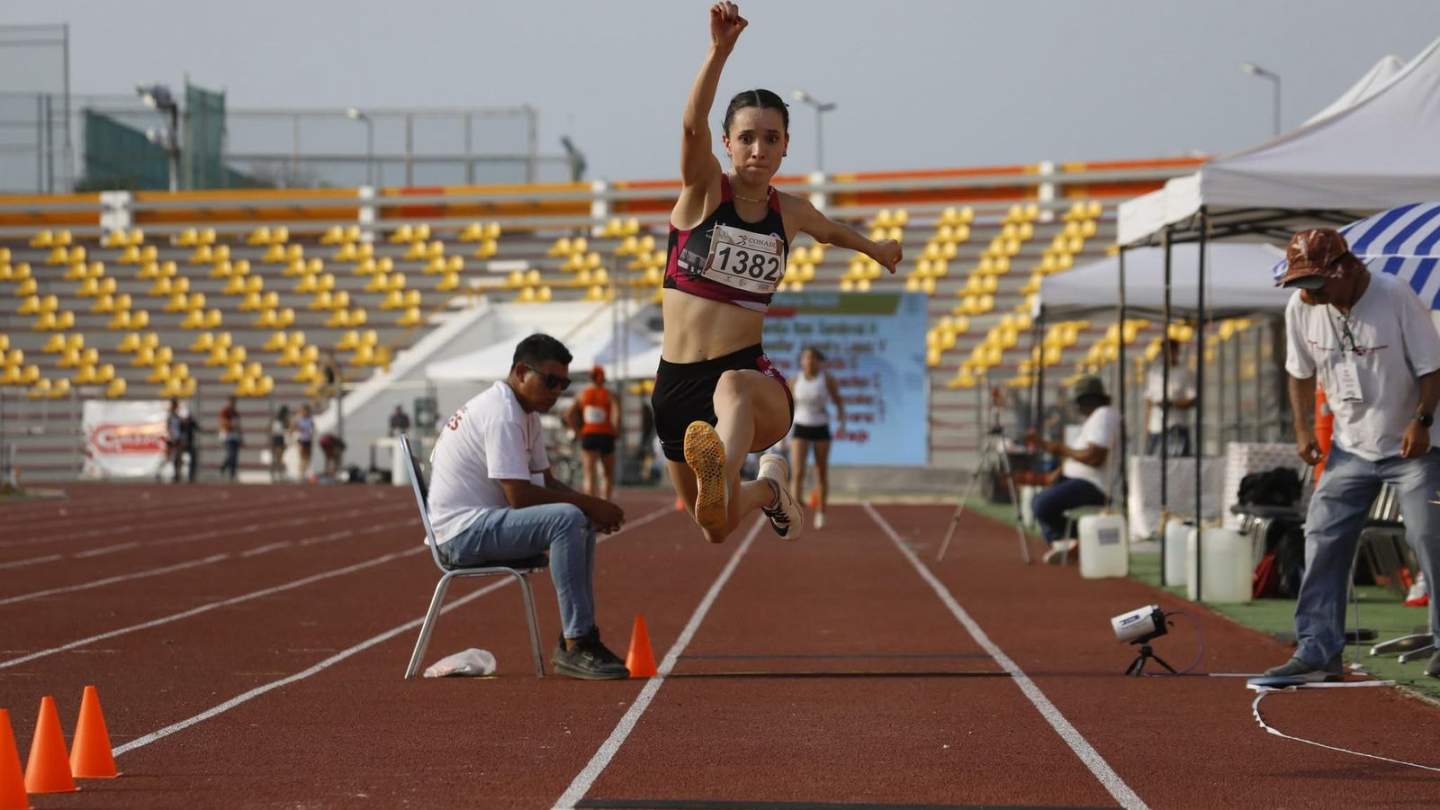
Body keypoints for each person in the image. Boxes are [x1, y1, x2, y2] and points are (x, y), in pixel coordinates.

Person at [655, 1, 902, 544]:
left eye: (771, 138)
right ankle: (769, 488)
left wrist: (876, 250)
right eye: (746, 137)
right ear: (727, 143)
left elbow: (831, 231)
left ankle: (722, 465)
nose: (758, 149)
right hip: (675, 385)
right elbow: (692, 125)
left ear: (786, 145)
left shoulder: (789, 212)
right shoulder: (703, 193)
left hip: (748, 377)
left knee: (731, 388)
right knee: (714, 526)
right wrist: (718, 52)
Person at [1265, 228, 1440, 681]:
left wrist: (1422, 420)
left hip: (1414, 444)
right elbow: (1299, 372)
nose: (1308, 294)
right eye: (1300, 284)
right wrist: (1302, 428)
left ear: (1345, 269)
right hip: (1350, 447)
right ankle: (1318, 650)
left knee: (1429, 537)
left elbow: (1433, 367)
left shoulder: (1394, 295)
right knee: (1322, 536)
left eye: (1315, 282)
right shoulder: (1301, 307)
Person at [427, 333, 630, 679]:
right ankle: (577, 642)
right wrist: (589, 504)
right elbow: (519, 496)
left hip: (483, 523)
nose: (557, 391)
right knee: (568, 518)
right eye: (550, 381)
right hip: (460, 534)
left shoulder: (525, 412)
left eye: (564, 384)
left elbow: (546, 483)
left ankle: (579, 637)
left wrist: (593, 507)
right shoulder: (502, 414)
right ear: (521, 372)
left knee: (577, 517)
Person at [1026, 375, 1120, 564]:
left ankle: (1079, 540)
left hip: (1094, 484)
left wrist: (1061, 449)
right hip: (1078, 480)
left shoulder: (1103, 415)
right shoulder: (1095, 418)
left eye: (1079, 402)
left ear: (1088, 400)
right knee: (1037, 501)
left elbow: (1095, 457)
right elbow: (1079, 453)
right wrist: (1058, 469)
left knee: (1043, 504)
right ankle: (1070, 543)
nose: (1077, 408)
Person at [789, 346, 845, 530]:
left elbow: (838, 400)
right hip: (800, 426)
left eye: (813, 358)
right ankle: (794, 511)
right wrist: (782, 430)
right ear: (801, 361)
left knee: (820, 471)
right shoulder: (794, 380)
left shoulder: (827, 379)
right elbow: (787, 405)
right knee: (797, 472)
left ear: (819, 362)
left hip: (821, 426)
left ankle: (821, 512)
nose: (809, 361)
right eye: (806, 358)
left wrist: (842, 421)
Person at [567, 366, 620, 500]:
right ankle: (606, 502)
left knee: (589, 473)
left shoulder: (582, 394)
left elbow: (569, 414)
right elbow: (616, 414)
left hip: (589, 435)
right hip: (607, 435)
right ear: (602, 378)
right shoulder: (609, 394)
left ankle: (591, 504)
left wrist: (577, 432)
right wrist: (615, 431)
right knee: (607, 474)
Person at [1143, 339, 1196, 456]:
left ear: (1176, 352)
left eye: (1171, 351)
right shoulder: (1154, 373)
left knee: (1178, 460)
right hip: (1156, 428)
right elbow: (1149, 402)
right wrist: (1147, 427)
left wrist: (1172, 404)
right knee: (1152, 461)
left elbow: (1192, 400)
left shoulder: (1185, 373)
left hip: (1177, 426)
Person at [218, 396, 242, 480]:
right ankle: (224, 467)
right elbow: (223, 422)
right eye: (231, 402)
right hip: (227, 436)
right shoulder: (225, 412)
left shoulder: (236, 413)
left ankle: (232, 474)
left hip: (235, 436)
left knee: (235, 456)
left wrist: (241, 436)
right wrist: (231, 424)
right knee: (231, 455)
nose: (232, 404)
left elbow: (239, 426)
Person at [294, 404, 315, 482]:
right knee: (302, 458)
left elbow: (312, 429)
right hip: (301, 440)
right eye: (304, 411)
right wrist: (299, 429)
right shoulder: (299, 419)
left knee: (308, 458)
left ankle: (306, 473)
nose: (305, 412)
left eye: (306, 411)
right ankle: (301, 475)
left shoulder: (310, 420)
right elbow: (294, 427)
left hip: (308, 440)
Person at [270, 405, 290, 482]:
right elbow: (274, 430)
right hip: (277, 439)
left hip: (280, 438)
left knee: (279, 458)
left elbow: (286, 430)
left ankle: (278, 474)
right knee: (277, 458)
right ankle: (276, 474)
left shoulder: (283, 420)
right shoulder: (278, 420)